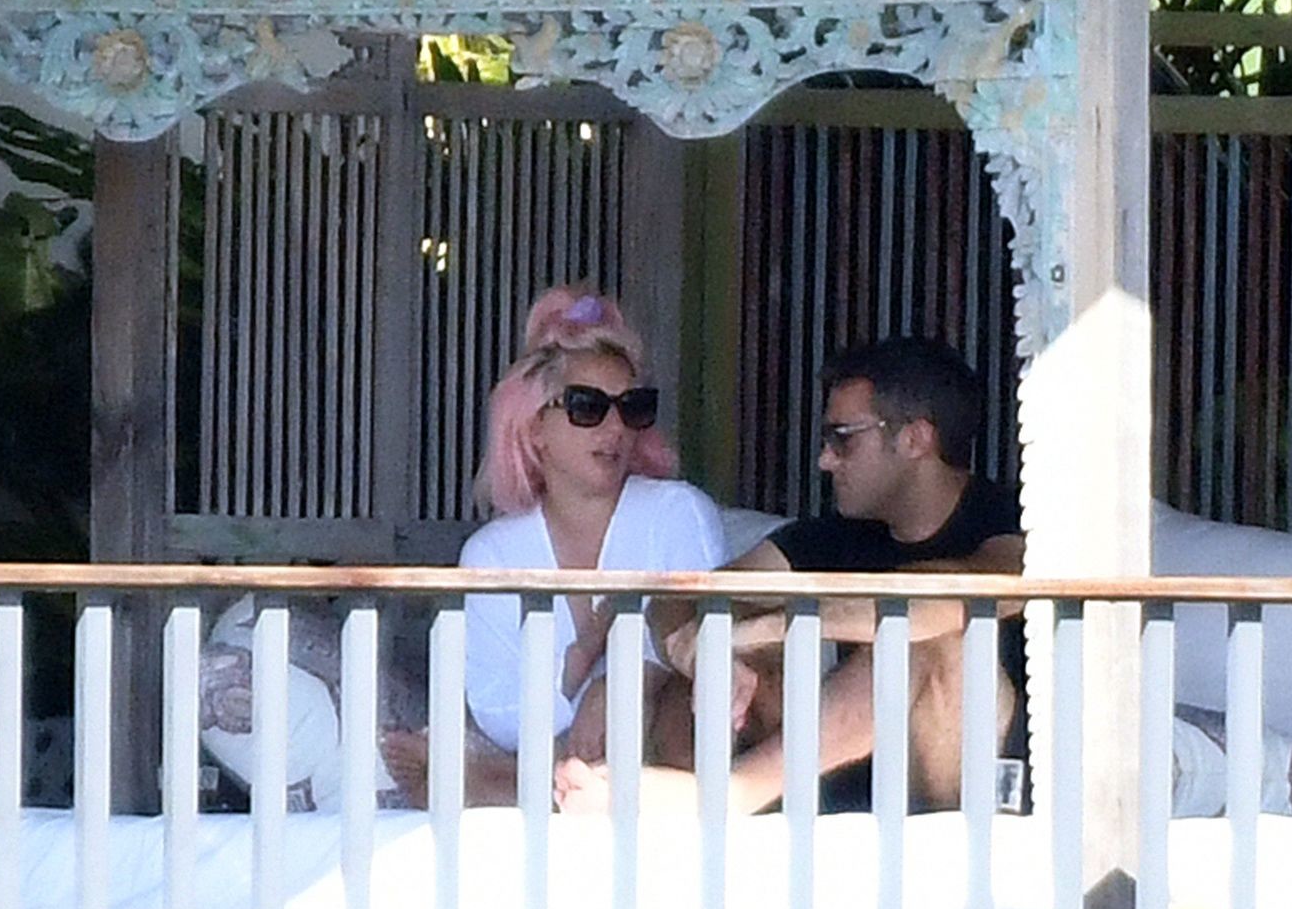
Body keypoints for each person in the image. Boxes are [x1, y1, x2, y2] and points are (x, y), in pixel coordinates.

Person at [555, 336, 1024, 816]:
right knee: (722, 648)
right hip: (852, 798)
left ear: (914, 439)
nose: (825, 460)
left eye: (843, 438)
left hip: (976, 803)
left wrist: (771, 625)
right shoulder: (836, 535)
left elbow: (961, 594)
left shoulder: (1016, 522)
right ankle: (690, 814)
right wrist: (703, 653)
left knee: (929, 637)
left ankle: (728, 794)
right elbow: (684, 600)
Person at [381, 288, 726, 805]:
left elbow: (711, 639)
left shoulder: (679, 512)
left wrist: (626, 683)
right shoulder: (491, 553)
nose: (615, 428)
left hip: (673, 745)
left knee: (670, 703)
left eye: (632, 408)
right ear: (535, 425)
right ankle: (549, 780)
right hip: (550, 750)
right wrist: (579, 660)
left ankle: (502, 782)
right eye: (588, 407)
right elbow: (499, 710)